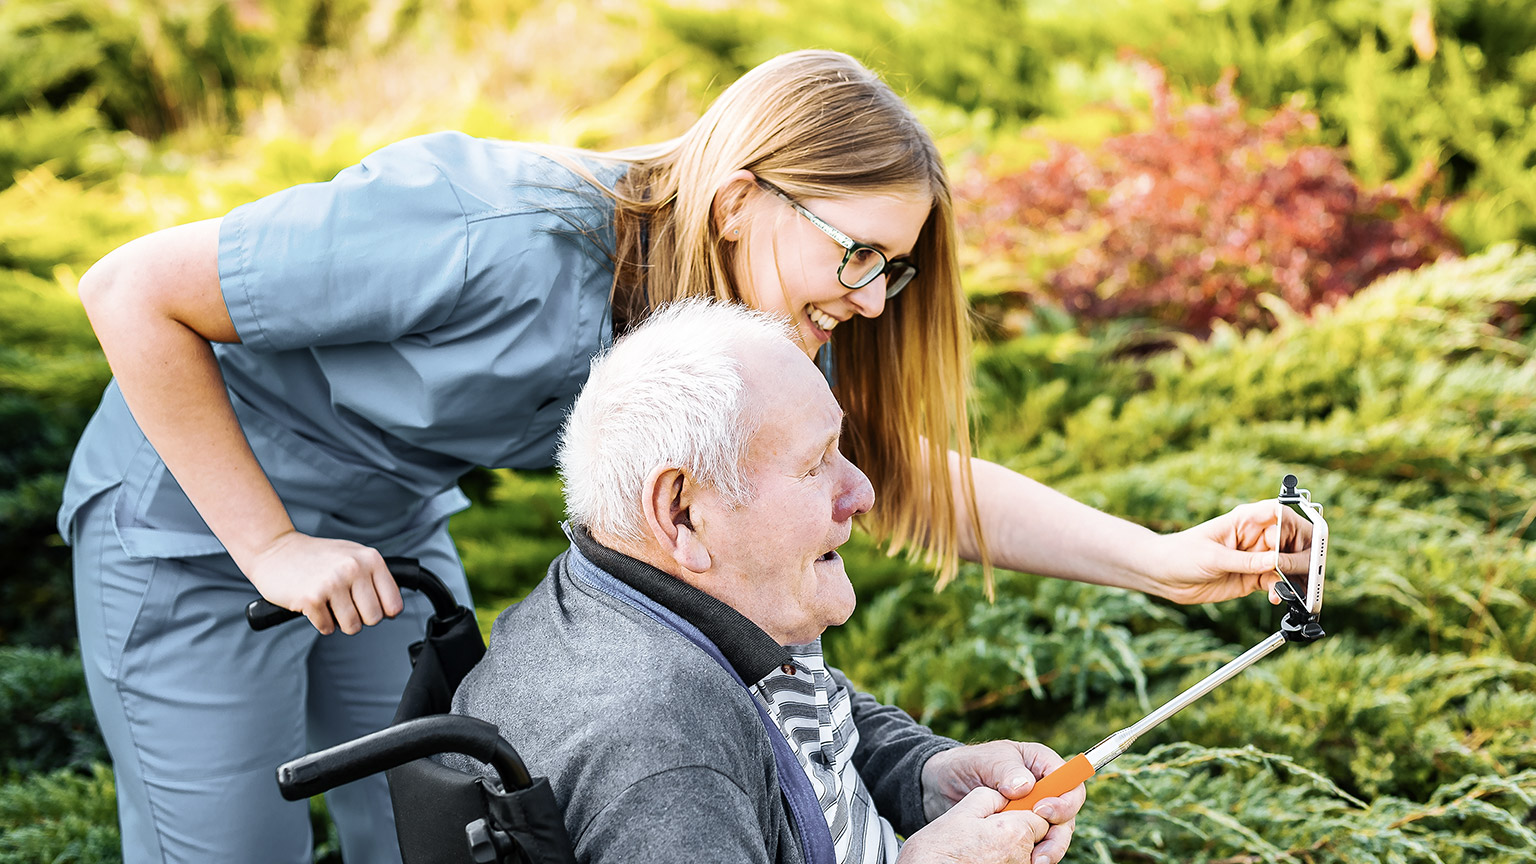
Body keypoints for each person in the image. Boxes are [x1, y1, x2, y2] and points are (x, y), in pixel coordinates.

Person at [62, 49, 1307, 863]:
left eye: (897, 266)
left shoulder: (748, 327)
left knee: (422, 847)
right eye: (857, 256)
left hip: (388, 540)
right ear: (741, 200)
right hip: (193, 526)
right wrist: (271, 545)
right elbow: (132, 294)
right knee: (232, 851)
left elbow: (895, 473)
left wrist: (1164, 561)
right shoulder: (491, 230)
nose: (875, 300)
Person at [448, 299, 1087, 864]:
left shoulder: (624, 595)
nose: (861, 493)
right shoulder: (666, 763)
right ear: (683, 514)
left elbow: (800, 723)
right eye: (814, 466)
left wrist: (924, 774)